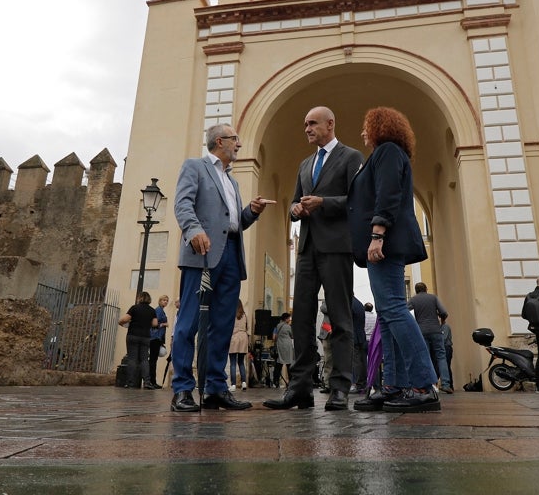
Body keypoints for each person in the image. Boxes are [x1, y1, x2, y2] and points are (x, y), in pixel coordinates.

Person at [265, 106, 365, 413]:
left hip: (336, 247)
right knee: (303, 320)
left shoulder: (351, 157)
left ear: (330, 124)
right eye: (305, 124)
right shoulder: (305, 164)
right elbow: (295, 200)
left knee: (340, 318)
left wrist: (323, 202)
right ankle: (300, 389)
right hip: (307, 249)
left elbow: (358, 201)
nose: (307, 129)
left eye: (312, 123)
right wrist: (296, 209)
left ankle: (339, 389)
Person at [168, 123, 273, 413]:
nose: (239, 144)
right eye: (235, 139)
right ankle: (183, 390)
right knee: (188, 323)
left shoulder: (233, 181)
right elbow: (183, 203)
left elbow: (232, 222)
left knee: (223, 326)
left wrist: (250, 212)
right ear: (219, 141)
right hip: (201, 252)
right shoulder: (195, 167)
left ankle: (215, 388)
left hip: (230, 257)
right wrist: (193, 229)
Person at [347, 106, 439, 413]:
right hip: (385, 242)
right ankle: (394, 385)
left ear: (379, 128)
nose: (362, 132)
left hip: (385, 242)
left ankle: (424, 385)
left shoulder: (387, 151)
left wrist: (377, 233)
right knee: (387, 314)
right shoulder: (386, 154)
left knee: (395, 310)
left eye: (366, 126)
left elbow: (387, 194)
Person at [408, 282, 452, 393]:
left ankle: (429, 385)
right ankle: (446, 384)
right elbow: (444, 312)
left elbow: (403, 310)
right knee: (441, 357)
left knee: (426, 357)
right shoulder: (433, 298)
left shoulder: (413, 300)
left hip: (421, 331)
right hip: (436, 330)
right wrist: (442, 321)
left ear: (416, 290)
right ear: (426, 289)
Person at [118, 291, 158, 389]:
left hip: (133, 335)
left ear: (139, 298)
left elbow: (125, 319)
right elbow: (155, 324)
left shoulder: (134, 308)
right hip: (145, 337)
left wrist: (120, 322)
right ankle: (147, 382)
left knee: (132, 359)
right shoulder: (152, 310)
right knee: (144, 359)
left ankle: (131, 382)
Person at [148, 294, 169, 389]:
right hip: (155, 337)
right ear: (160, 301)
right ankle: (152, 381)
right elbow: (154, 324)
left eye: (167, 300)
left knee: (153, 360)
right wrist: (164, 324)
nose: (165, 302)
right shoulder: (158, 310)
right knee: (153, 360)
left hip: (157, 338)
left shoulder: (161, 311)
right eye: (164, 300)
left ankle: (152, 381)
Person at [229, 301, 250, 391]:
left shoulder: (231, 314)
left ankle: (233, 385)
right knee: (241, 362)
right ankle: (244, 383)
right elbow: (248, 328)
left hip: (234, 338)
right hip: (243, 338)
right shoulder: (245, 315)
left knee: (233, 363)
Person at [272, 312, 294, 387]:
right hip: (287, 346)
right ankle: (291, 382)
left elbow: (274, 337)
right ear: (286, 319)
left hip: (280, 346)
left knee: (278, 364)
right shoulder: (288, 327)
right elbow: (292, 335)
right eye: (289, 318)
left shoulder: (277, 326)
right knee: (289, 364)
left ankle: (276, 381)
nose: (289, 319)